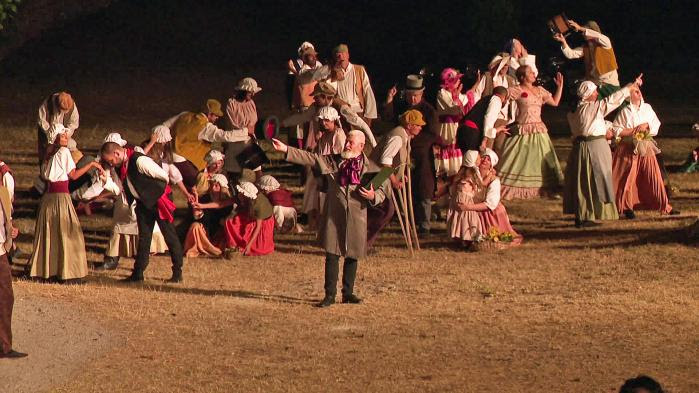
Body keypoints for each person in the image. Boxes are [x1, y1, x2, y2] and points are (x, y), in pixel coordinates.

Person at [271, 130, 389, 307]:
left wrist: (373, 196)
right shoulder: (333, 161)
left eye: (351, 142)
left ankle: (348, 293)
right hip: (334, 214)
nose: (347, 145)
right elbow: (310, 158)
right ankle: (330, 294)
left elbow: (382, 191)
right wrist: (286, 149)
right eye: (347, 141)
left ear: (361, 146)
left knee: (352, 254)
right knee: (332, 254)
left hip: (357, 216)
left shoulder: (371, 167)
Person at [563, 74, 643, 227]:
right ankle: (586, 215)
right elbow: (613, 100)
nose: (596, 94)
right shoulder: (592, 108)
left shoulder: (574, 111)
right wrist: (631, 86)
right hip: (594, 147)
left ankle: (585, 214)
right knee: (594, 180)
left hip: (580, 148)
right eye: (594, 92)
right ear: (587, 94)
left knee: (584, 181)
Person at [100, 141, 185, 283]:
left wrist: (153, 194)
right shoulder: (122, 168)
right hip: (144, 203)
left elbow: (163, 176)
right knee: (144, 238)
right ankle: (138, 274)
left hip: (159, 201)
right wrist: (106, 181)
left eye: (111, 160)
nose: (112, 163)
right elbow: (119, 190)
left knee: (169, 235)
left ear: (117, 153)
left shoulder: (139, 160)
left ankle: (177, 272)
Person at [28, 124, 102, 282]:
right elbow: (73, 175)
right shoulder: (63, 152)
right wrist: (91, 165)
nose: (66, 138)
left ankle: (49, 270)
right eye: (62, 136)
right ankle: (69, 272)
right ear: (55, 138)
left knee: (50, 234)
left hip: (48, 197)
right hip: (61, 197)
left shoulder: (48, 153)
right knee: (69, 234)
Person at [497, 66, 564, 199]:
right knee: (517, 160)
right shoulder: (516, 90)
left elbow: (555, 103)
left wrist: (560, 87)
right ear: (522, 77)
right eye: (530, 72)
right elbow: (500, 97)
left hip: (539, 129)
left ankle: (546, 189)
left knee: (542, 160)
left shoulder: (540, 90)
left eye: (533, 72)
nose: (534, 74)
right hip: (523, 129)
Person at [611, 85, 677, 218]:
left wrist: (646, 125)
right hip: (629, 147)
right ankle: (625, 207)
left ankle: (663, 205)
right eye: (635, 92)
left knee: (653, 175)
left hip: (646, 146)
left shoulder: (647, 108)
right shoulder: (625, 111)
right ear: (629, 96)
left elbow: (655, 124)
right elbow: (616, 129)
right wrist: (633, 131)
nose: (639, 93)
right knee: (628, 177)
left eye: (639, 91)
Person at [367, 110, 424, 243]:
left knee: (384, 210)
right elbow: (385, 162)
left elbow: (397, 161)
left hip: (381, 175)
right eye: (418, 125)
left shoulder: (404, 137)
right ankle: (363, 240)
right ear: (409, 125)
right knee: (384, 210)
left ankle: (364, 240)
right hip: (376, 176)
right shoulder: (397, 137)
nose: (421, 128)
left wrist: (399, 175)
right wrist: (394, 181)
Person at [160, 99, 250, 171]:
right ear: (210, 114)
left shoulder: (185, 114)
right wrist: (245, 132)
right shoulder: (205, 127)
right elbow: (225, 136)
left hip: (167, 151)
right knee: (194, 180)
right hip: (183, 159)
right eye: (216, 115)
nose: (217, 118)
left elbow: (165, 125)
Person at [457, 149, 522, 245]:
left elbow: (490, 204)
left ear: (491, 165)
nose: (484, 160)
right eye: (483, 157)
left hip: (490, 214)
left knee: (491, 239)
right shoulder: (472, 175)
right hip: (473, 210)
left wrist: (467, 207)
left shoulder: (494, 181)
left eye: (488, 159)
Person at [298, 106, 347, 228]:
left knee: (325, 200)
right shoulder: (324, 135)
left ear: (333, 120)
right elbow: (317, 154)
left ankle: (325, 225)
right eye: (322, 120)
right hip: (319, 170)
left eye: (327, 120)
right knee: (314, 196)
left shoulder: (338, 134)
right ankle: (312, 223)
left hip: (330, 172)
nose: (323, 123)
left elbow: (339, 156)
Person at [201, 181, 275, 257]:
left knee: (252, 240)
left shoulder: (258, 205)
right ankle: (234, 244)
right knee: (230, 222)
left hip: (262, 223)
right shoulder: (241, 197)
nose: (240, 194)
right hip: (249, 216)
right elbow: (221, 204)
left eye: (242, 193)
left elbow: (258, 227)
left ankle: (244, 245)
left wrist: (249, 245)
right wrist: (201, 206)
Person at [554, 20, 620, 97]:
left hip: (610, 83)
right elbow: (571, 54)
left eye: (585, 31)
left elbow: (598, 36)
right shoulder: (585, 48)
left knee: (618, 107)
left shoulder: (605, 42)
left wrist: (580, 28)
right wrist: (563, 41)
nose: (583, 34)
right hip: (595, 85)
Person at [435, 68, 479, 176]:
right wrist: (457, 97)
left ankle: (456, 173)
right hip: (447, 127)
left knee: (457, 149)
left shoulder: (455, 94)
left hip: (456, 126)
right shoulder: (442, 93)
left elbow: (466, 99)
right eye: (456, 80)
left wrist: (476, 85)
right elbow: (453, 107)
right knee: (448, 148)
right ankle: (445, 174)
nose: (459, 82)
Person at [0, 181, 25, 359]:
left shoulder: (3, 193)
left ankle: (4, 346)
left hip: (1, 250)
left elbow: (6, 221)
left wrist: (12, 231)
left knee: (6, 297)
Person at [184, 174, 233, 257]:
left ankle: (216, 249)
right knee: (195, 226)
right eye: (212, 185)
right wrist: (196, 206)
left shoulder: (227, 202)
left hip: (219, 232)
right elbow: (198, 217)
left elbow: (220, 206)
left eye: (217, 185)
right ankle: (197, 248)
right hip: (206, 229)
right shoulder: (204, 198)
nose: (213, 187)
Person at [224, 77, 262, 183]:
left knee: (258, 172)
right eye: (250, 92)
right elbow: (234, 123)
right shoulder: (231, 103)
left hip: (250, 141)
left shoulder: (251, 103)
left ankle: (255, 195)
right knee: (234, 174)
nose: (253, 95)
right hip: (237, 141)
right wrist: (246, 129)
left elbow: (254, 120)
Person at [331, 44, 378, 125]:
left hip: (358, 111)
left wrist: (369, 115)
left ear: (348, 55)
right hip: (341, 112)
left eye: (343, 53)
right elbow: (331, 92)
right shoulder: (333, 73)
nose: (340, 56)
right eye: (338, 54)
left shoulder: (359, 70)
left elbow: (367, 91)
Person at [444, 150, 482, 246]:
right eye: (478, 158)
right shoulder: (473, 173)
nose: (480, 160)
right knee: (467, 218)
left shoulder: (461, 172)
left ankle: (459, 237)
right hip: (465, 199)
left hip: (458, 198)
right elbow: (479, 186)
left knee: (459, 218)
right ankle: (467, 237)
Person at [457, 86, 511, 152]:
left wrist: (498, 129)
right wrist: (484, 140)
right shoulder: (497, 100)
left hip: (463, 129)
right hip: (471, 132)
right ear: (504, 97)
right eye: (507, 99)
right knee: (471, 159)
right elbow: (489, 119)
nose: (507, 102)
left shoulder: (486, 99)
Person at [37, 92, 79, 166]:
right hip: (48, 134)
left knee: (71, 146)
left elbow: (73, 124)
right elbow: (42, 121)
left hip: (63, 134)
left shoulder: (72, 106)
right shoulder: (48, 104)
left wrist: (66, 134)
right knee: (46, 153)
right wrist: (51, 134)